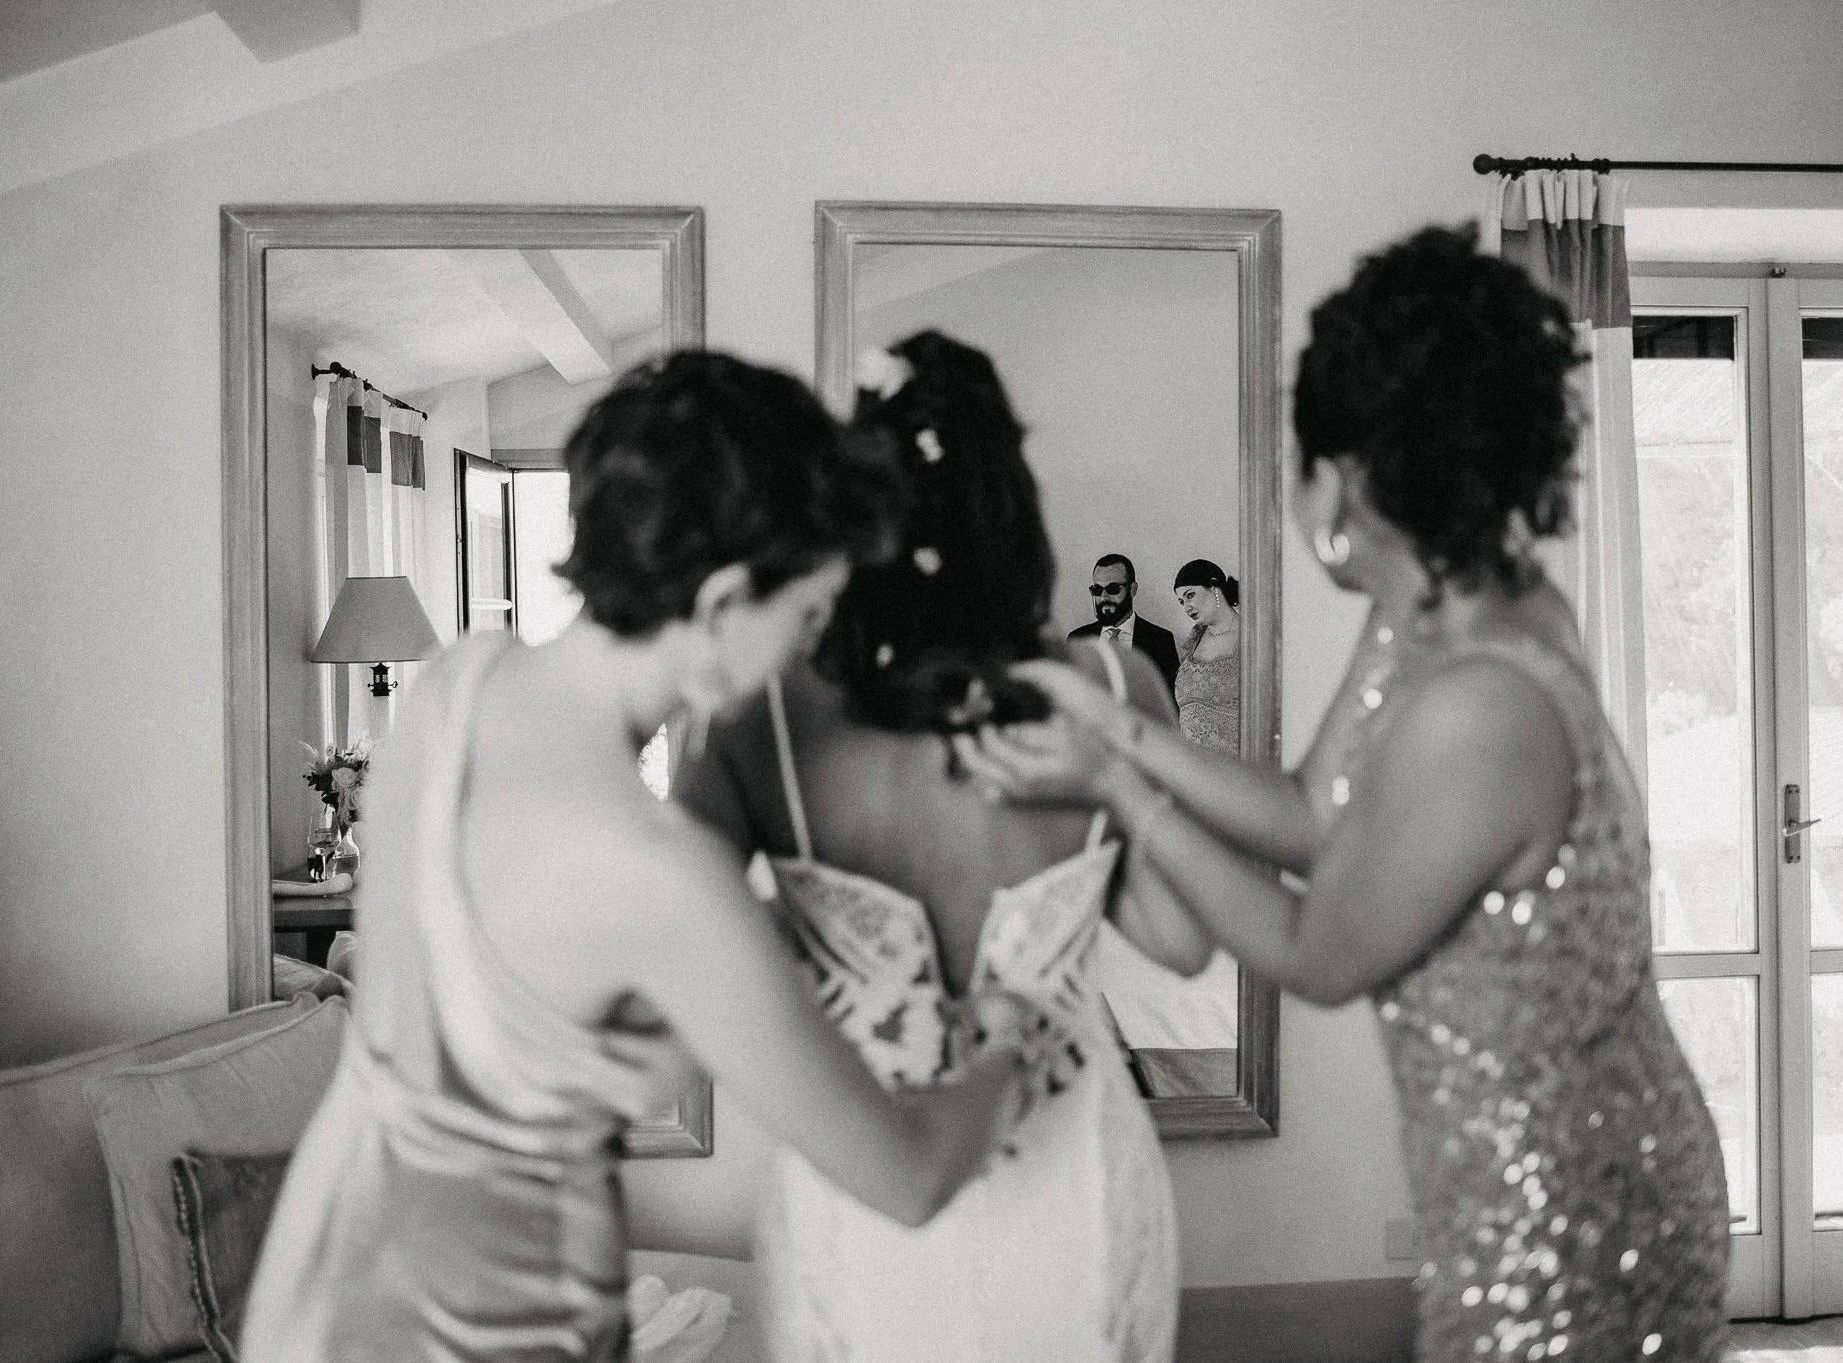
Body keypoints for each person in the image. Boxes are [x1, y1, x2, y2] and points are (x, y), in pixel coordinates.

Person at [958, 226, 1731, 1363]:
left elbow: (1316, 951)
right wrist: (1120, 722)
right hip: (1493, 1157)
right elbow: (1316, 816)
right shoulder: (1429, 606)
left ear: (1346, 479)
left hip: (1578, 1201)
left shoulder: (1481, 701)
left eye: (1298, 460)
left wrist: (1117, 785)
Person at [240, 352, 1044, 1361]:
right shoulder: (655, 875)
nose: (807, 650)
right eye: (804, 615)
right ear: (717, 606)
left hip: (329, 1280)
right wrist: (1008, 1049)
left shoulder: (455, 687)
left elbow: (508, 1027)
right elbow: (908, 1175)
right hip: (494, 1321)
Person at [675, 330, 1206, 1363]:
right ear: (1011, 497)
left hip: (862, 1187)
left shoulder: (763, 714)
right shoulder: (1107, 689)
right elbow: (1183, 943)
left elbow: (681, 962)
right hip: (1078, 1187)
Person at [1068, 552, 1181, 696]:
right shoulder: (1078, 639)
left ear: (1132, 589)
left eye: (1113, 589)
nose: (1103, 597)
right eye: (1097, 590)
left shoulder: (1160, 640)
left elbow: (1171, 704)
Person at [1170, 558, 1241, 752]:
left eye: (1190, 595)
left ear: (1215, 589)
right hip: (1193, 766)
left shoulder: (1250, 636)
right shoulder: (1194, 640)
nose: (1186, 607)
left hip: (1234, 763)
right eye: (1181, 601)